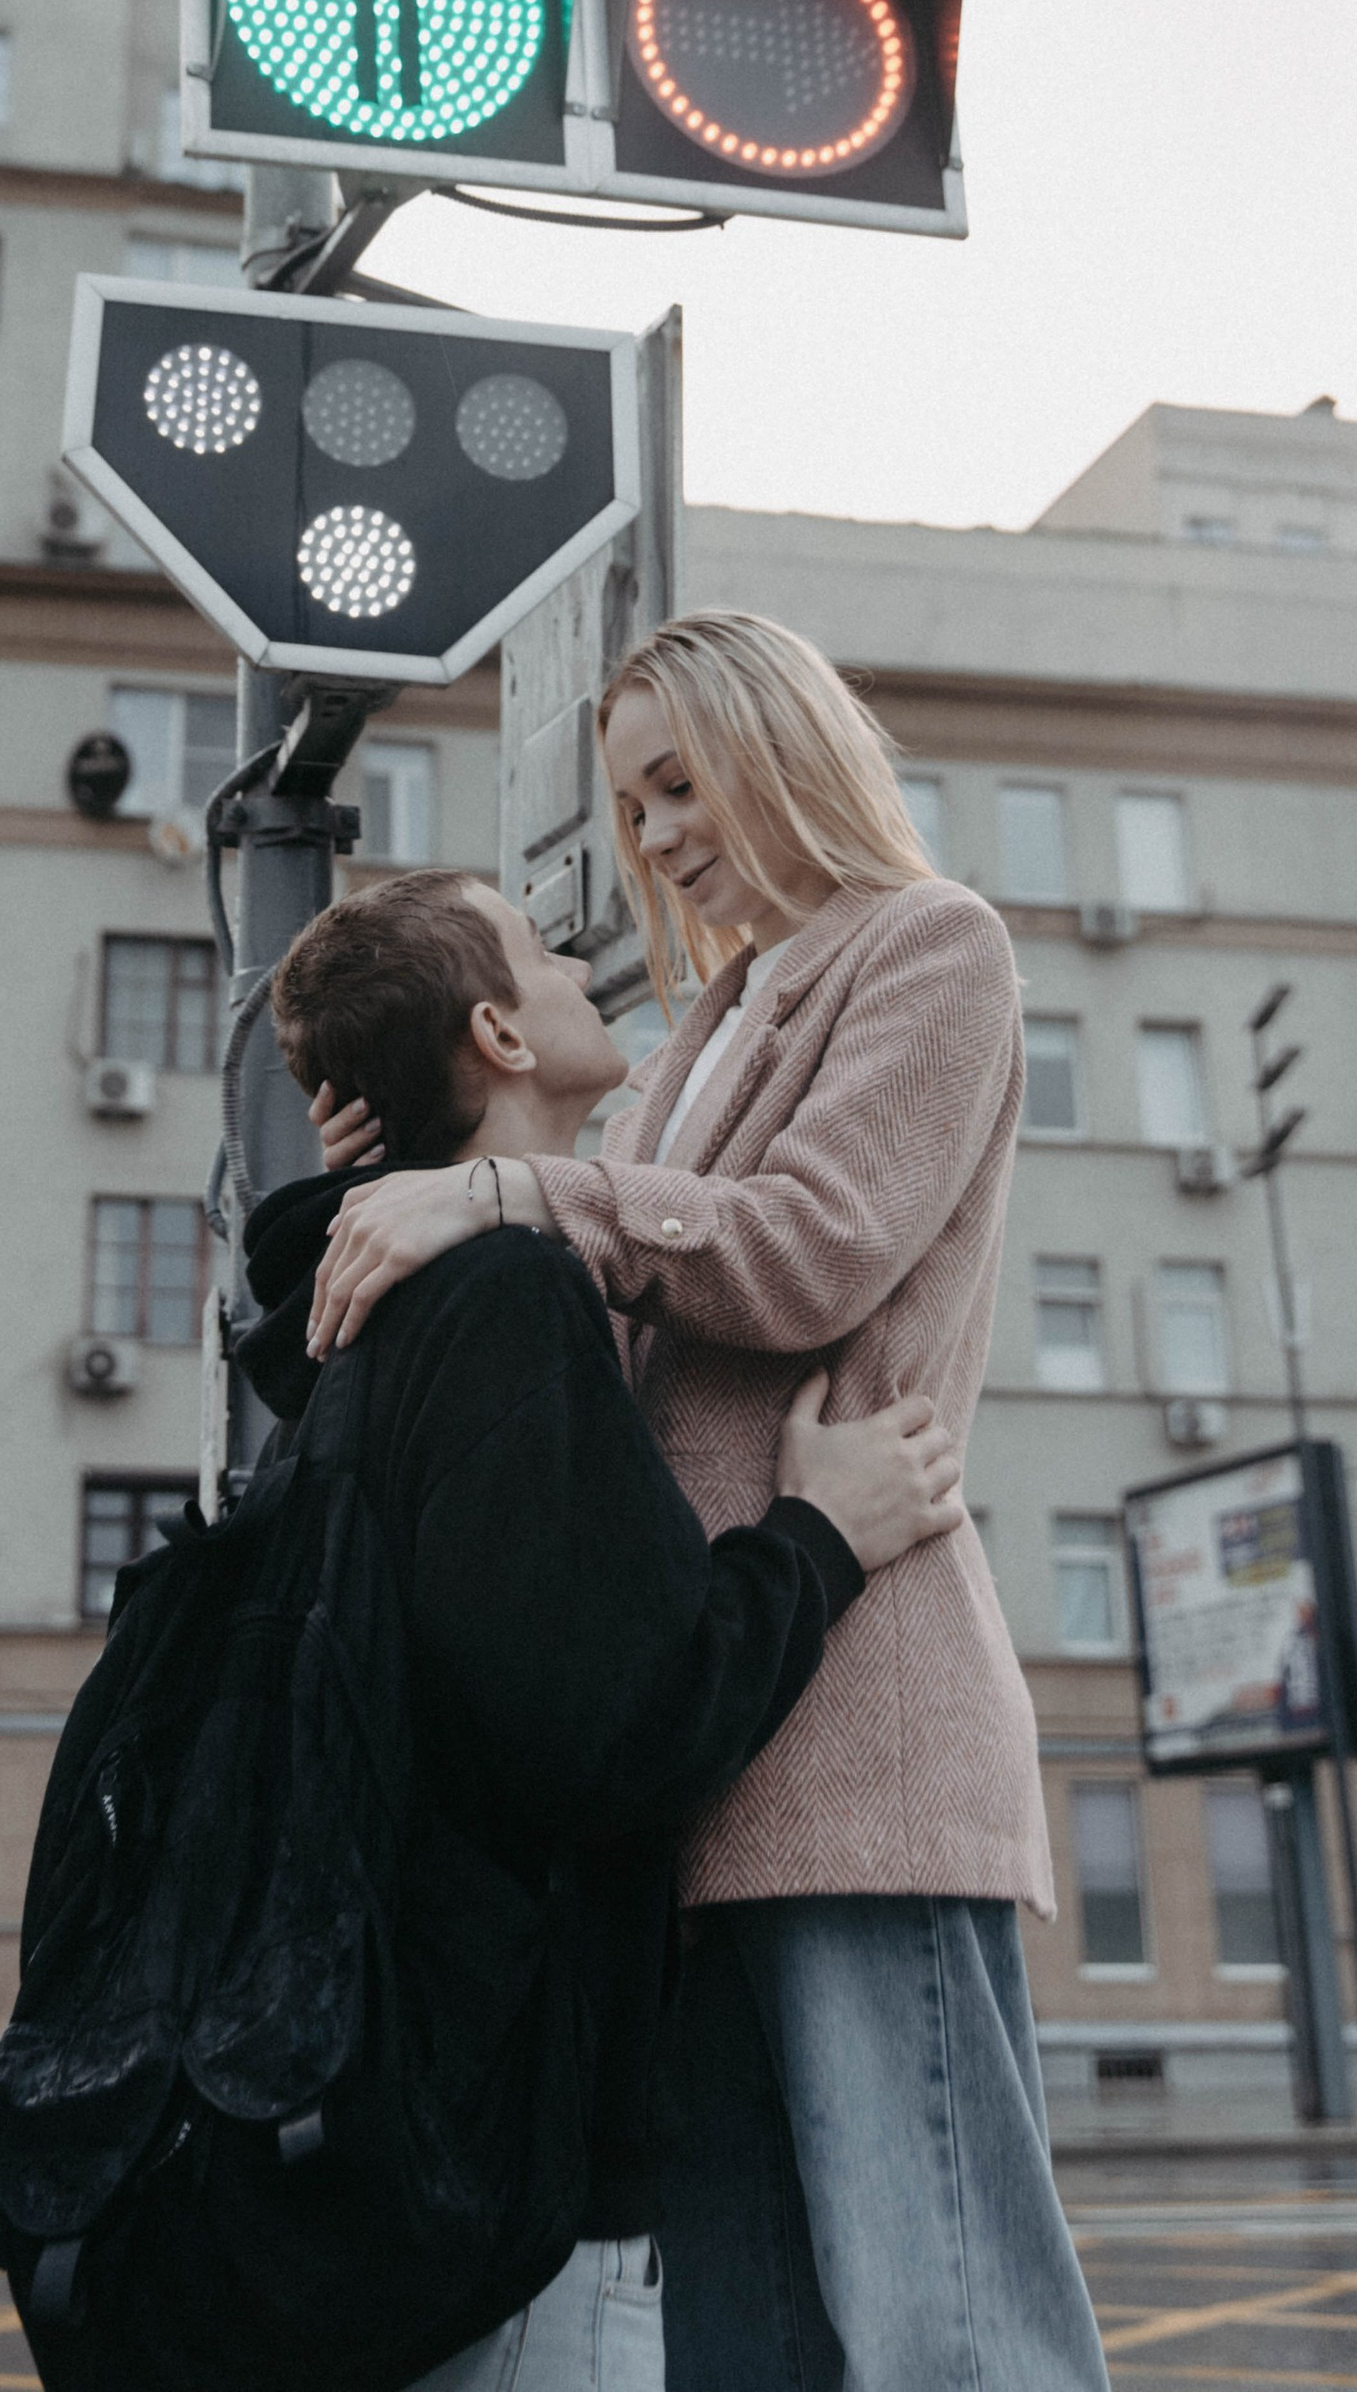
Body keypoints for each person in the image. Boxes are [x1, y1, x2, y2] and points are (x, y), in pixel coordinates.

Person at [309, 612, 1112, 2392]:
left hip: (859, 1746)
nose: (657, 834)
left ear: (785, 746)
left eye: (681, 781)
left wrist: (518, 1194)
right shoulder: (691, 1039)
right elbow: (580, 1356)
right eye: (631, 801)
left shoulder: (929, 947)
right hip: (703, 1754)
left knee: (946, 2322)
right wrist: (416, 1175)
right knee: (746, 2340)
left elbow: (811, 1253)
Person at [253, 863, 968, 2392]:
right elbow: (621, 1727)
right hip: (513, 2139)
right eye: (540, 954)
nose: (584, 966)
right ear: (504, 1037)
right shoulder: (505, 1298)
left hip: (389, 2091)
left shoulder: (369, 1327)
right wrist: (820, 1541)